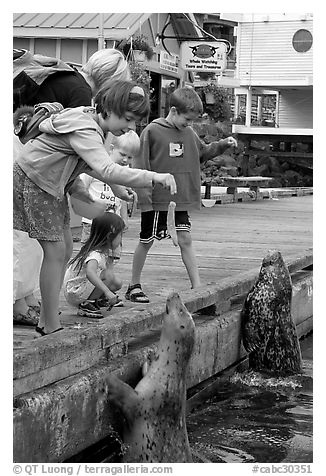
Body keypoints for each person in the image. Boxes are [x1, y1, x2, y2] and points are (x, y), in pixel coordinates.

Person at [13, 80, 177, 336]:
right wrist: (153, 176)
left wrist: (116, 188)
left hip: (51, 184)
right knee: (55, 252)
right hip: (35, 181)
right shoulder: (87, 128)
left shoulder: (90, 122)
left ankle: (47, 318)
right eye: (129, 119)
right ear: (110, 110)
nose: (132, 127)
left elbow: (87, 163)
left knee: (65, 247)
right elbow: (106, 167)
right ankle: (50, 325)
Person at [13, 48, 131, 326]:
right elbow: (83, 156)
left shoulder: (69, 76)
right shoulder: (80, 96)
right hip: (34, 169)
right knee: (36, 244)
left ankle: (26, 298)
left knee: (41, 243)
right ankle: (28, 307)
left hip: (29, 158)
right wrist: (111, 186)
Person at [125, 86, 237, 303]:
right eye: (187, 119)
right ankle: (134, 285)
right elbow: (140, 165)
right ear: (174, 111)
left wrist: (222, 145)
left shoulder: (189, 132)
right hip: (157, 200)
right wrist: (144, 197)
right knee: (146, 240)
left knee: (185, 238)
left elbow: (202, 152)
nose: (189, 124)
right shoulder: (152, 131)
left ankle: (197, 284)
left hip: (181, 199)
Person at [79, 130, 140, 244]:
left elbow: (122, 198)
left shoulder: (125, 171)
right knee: (89, 250)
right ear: (112, 149)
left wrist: (124, 218)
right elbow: (82, 187)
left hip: (113, 221)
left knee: (110, 253)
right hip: (92, 221)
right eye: (122, 154)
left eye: (130, 157)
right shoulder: (98, 167)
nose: (125, 160)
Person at [64, 213, 125, 318]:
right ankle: (86, 304)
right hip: (75, 291)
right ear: (110, 236)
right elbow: (90, 273)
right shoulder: (95, 253)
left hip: (81, 288)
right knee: (108, 276)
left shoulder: (105, 252)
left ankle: (98, 299)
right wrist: (107, 291)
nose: (121, 239)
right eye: (120, 235)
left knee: (117, 282)